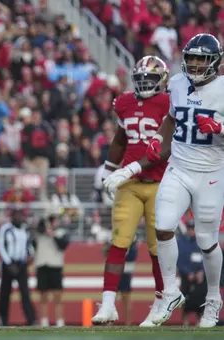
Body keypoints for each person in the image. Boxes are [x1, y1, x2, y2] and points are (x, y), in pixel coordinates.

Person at [138, 33, 224, 327]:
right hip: (178, 167)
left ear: (215, 62)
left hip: (211, 172)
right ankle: (170, 292)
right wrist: (158, 140)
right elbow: (172, 118)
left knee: (206, 240)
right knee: (162, 226)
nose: (196, 64)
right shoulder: (176, 83)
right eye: (192, 58)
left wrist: (220, 127)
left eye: (201, 59)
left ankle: (213, 299)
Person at [93, 55, 171, 326]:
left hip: (160, 182)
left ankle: (162, 302)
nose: (144, 84)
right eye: (140, 79)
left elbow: (164, 149)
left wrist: (126, 169)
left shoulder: (167, 103)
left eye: (150, 79)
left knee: (157, 249)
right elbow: (120, 139)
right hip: (129, 185)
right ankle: (107, 304)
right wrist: (107, 169)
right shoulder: (124, 102)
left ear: (162, 81)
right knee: (118, 243)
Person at [0, 208, 36, 326]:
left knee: (25, 292)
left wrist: (30, 256)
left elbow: (29, 245)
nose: (20, 218)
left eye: (21, 215)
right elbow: (0, 246)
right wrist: (8, 262)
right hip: (8, 264)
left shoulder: (25, 229)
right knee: (5, 293)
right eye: (17, 215)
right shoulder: (5, 228)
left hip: (21, 263)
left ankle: (31, 319)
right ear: (12, 216)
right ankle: (2, 319)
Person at [35, 215, 69, 327]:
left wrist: (52, 234)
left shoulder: (61, 232)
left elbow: (63, 245)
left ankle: (60, 321)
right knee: (43, 296)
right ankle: (44, 321)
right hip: (42, 266)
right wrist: (45, 229)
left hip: (55, 267)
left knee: (57, 297)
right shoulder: (39, 234)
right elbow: (35, 231)